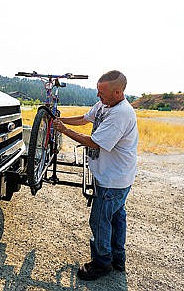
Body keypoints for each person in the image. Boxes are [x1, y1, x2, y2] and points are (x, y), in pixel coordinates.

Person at [53, 70, 138, 281]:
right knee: (117, 218)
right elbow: (84, 118)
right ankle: (118, 259)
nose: (98, 96)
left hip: (113, 180)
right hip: (114, 177)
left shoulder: (121, 114)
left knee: (100, 221)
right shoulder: (104, 105)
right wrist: (60, 119)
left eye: (103, 92)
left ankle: (102, 263)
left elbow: (94, 142)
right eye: (98, 91)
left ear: (118, 92)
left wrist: (62, 129)